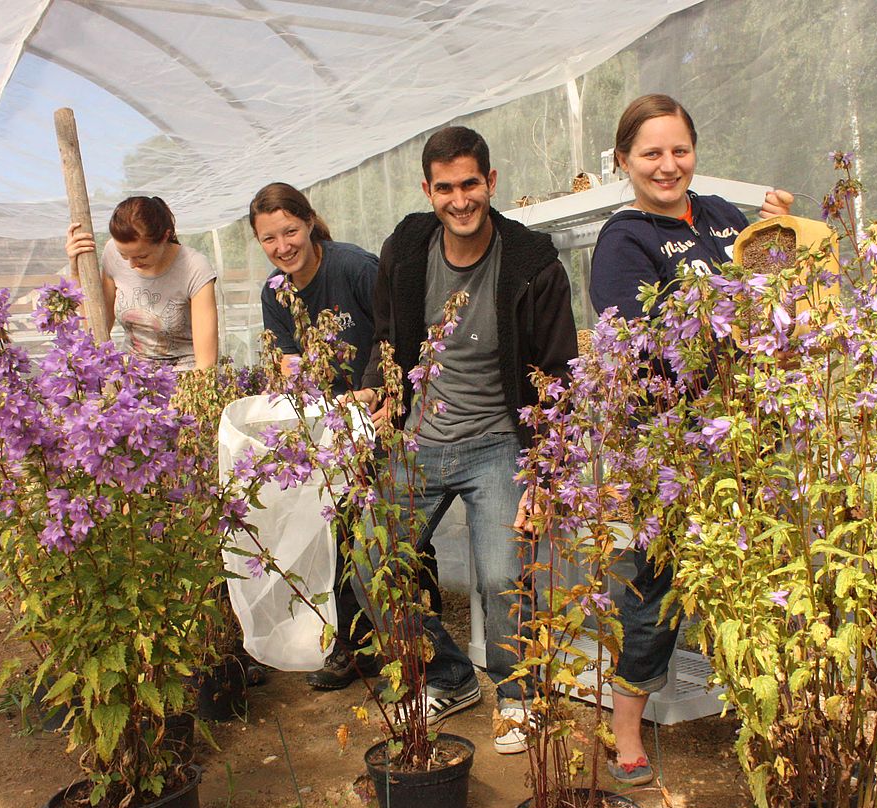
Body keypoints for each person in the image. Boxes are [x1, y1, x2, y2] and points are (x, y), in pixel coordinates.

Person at [351, 126, 578, 754]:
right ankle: (449, 675)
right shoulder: (405, 249)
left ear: (491, 183)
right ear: (428, 190)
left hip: (497, 441)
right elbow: (388, 340)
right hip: (418, 440)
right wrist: (378, 390)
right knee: (371, 562)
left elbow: (559, 376)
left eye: (470, 184)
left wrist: (546, 475)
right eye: (445, 187)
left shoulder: (532, 263)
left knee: (504, 573)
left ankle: (516, 695)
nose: (459, 199)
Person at [588, 93, 792, 785]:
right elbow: (638, 345)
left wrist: (777, 239)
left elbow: (770, 305)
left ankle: (763, 717)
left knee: (755, 574)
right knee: (652, 583)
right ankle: (626, 733)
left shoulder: (721, 219)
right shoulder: (626, 238)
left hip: (744, 433)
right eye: (651, 152)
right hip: (670, 441)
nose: (668, 165)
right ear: (624, 161)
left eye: (679, 150)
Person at [248, 182, 442, 690]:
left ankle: (406, 621)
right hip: (330, 424)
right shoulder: (277, 291)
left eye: (290, 231)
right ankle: (352, 642)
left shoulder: (353, 267)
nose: (282, 246)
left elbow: (396, 332)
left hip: (381, 411)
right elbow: (291, 362)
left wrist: (375, 392)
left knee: (376, 524)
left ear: (309, 222)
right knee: (334, 524)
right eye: (269, 238)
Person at [65, 196, 218, 371]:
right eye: (124, 255)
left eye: (142, 256)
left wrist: (186, 397)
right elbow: (97, 328)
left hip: (185, 378)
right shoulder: (111, 253)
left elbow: (206, 364)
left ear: (164, 237)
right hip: (131, 375)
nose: (131, 264)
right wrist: (76, 271)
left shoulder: (195, 268)